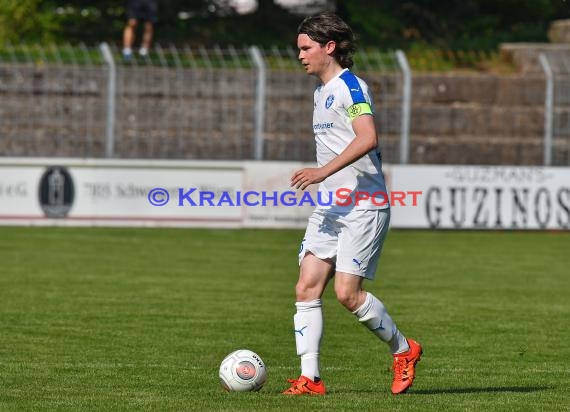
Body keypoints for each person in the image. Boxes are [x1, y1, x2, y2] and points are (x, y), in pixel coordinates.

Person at [283, 12, 422, 396]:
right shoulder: (320, 91)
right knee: (306, 288)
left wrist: (322, 172)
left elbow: (368, 137)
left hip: (365, 204)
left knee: (347, 294)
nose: (301, 56)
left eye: (306, 48)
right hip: (331, 206)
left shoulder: (351, 87)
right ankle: (310, 379)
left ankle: (404, 349)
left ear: (330, 47)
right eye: (299, 49)